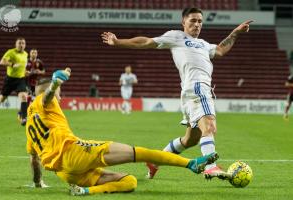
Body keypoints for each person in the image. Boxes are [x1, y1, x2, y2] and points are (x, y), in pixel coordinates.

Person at [101, 7, 252, 180]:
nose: (197, 24)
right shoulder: (177, 36)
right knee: (209, 126)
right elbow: (146, 42)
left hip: (193, 91)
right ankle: (211, 167)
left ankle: (155, 161)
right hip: (197, 88)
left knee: (190, 140)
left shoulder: (203, 44)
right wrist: (118, 42)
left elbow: (219, 50)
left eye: (200, 21)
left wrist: (236, 32)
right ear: (183, 22)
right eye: (193, 20)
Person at [25, 68, 218, 196]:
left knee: (130, 182)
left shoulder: (30, 123)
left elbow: (34, 160)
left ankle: (84, 192)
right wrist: (54, 85)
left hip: (66, 174)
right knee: (138, 153)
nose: (60, 97)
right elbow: (47, 96)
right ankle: (190, 163)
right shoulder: (43, 100)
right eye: (59, 95)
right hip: (73, 153)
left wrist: (37, 183)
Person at [0, 37, 28, 126]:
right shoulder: (11, 52)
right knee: (1, 99)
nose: (21, 45)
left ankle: (24, 117)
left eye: (23, 43)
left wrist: (25, 72)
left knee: (24, 96)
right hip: (10, 80)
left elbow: (22, 66)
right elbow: (2, 62)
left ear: (25, 45)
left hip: (20, 80)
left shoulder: (26, 54)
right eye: (19, 43)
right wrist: (12, 64)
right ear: (16, 44)